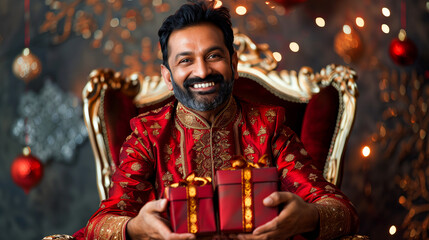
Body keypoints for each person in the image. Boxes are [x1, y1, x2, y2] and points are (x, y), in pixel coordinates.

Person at [81, 1, 359, 239]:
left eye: (213, 56)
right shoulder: (148, 134)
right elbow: (101, 223)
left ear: (234, 65)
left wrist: (309, 217)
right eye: (186, 61)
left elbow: (341, 210)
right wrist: (134, 228)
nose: (202, 71)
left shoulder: (268, 126)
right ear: (168, 77)